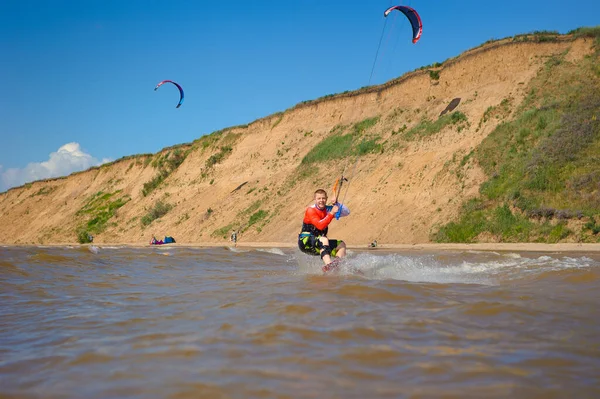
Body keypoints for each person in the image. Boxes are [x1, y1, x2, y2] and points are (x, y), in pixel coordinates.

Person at [298, 189, 349, 272]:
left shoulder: (328, 209)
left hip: (320, 244)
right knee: (324, 239)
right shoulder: (311, 210)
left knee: (341, 245)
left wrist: (337, 204)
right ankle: (329, 266)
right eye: (319, 198)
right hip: (305, 242)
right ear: (315, 199)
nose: (321, 201)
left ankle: (336, 264)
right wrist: (331, 213)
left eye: (323, 198)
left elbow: (346, 212)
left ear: (326, 199)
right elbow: (320, 226)